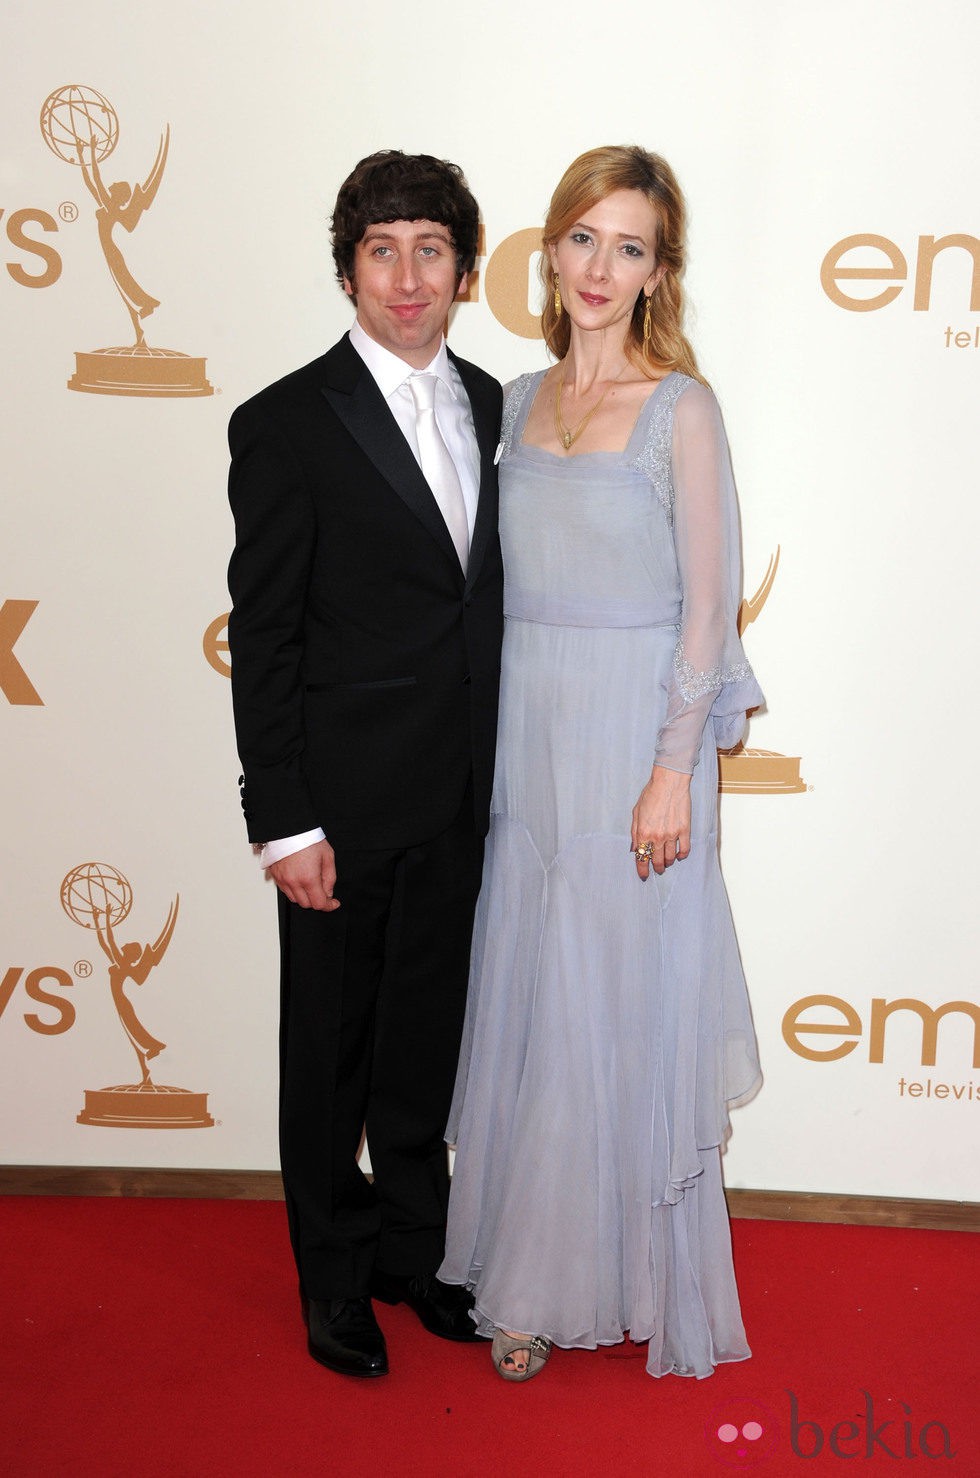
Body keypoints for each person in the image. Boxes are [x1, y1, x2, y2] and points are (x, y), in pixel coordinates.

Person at [439, 145, 764, 1382]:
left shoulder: (682, 406)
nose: (597, 267)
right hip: (526, 733)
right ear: (549, 246)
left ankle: (563, 1283)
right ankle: (528, 1253)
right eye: (582, 236)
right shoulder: (514, 399)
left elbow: (704, 606)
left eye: (628, 246)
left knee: (601, 1003)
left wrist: (673, 766)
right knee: (530, 999)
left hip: (635, 733)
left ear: (657, 270)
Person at [227, 151, 503, 1379]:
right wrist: (282, 819)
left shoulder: (496, 405)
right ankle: (332, 1281)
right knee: (326, 1058)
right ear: (349, 267)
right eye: (383, 250)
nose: (407, 276)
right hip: (338, 807)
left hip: (459, 801)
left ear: (463, 269)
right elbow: (265, 632)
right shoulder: (283, 420)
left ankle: (410, 1251)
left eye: (430, 250)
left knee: (420, 1046)